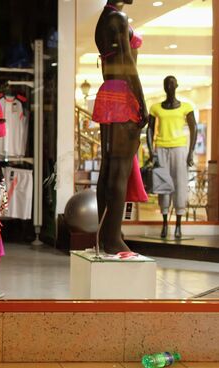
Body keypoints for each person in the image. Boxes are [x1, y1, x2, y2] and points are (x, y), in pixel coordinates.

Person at [92, 0, 149, 254]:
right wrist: (142, 101)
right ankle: (113, 239)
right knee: (119, 170)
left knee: (109, 167)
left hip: (108, 92)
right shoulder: (119, 19)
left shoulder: (104, 19)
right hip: (123, 94)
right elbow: (127, 63)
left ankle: (106, 236)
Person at [147, 76, 198, 238]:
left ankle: (178, 224)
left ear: (177, 85)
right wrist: (150, 151)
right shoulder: (155, 108)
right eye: (166, 83)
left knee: (180, 184)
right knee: (163, 186)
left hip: (179, 149)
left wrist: (190, 152)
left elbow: (194, 128)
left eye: (172, 83)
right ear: (164, 87)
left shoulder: (186, 107)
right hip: (161, 148)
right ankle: (164, 223)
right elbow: (150, 129)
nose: (169, 86)